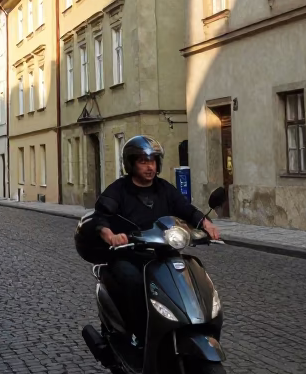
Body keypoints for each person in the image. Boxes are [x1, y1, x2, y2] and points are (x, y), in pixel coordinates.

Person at [91, 135, 221, 346]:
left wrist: (207, 225)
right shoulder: (119, 189)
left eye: (152, 161)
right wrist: (111, 235)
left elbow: (185, 209)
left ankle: (191, 320)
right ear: (131, 164)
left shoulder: (163, 188)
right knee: (133, 281)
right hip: (130, 255)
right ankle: (136, 333)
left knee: (191, 271)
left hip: (162, 253)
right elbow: (100, 217)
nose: (149, 167)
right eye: (143, 161)